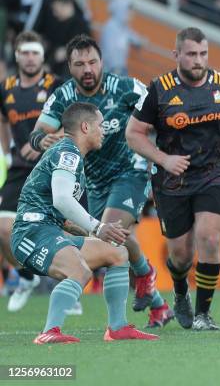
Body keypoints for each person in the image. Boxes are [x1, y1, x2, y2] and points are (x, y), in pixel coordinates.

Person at [30, 34, 171, 328]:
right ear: (70, 67)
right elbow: (37, 132)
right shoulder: (64, 95)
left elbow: (162, 113)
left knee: (110, 235)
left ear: (102, 62)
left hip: (129, 171)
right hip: (91, 182)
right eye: (80, 64)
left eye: (93, 61)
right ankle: (156, 300)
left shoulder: (125, 87)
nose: (88, 69)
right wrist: (45, 139)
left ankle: (124, 315)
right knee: (113, 243)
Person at [126, 27, 220, 330]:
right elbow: (133, 133)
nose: (199, 60)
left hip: (215, 173)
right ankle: (180, 291)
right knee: (181, 256)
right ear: (177, 55)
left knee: (209, 237)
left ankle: (203, 314)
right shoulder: (159, 90)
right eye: (192, 54)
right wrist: (163, 159)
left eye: (203, 54)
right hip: (173, 180)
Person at [11, 102, 158, 343]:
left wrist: (94, 233)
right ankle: (49, 331)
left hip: (47, 230)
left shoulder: (70, 154)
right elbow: (61, 199)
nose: (104, 130)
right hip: (31, 232)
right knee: (78, 270)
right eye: (100, 125)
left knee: (117, 252)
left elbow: (59, 210)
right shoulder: (67, 153)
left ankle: (117, 328)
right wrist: (98, 227)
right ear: (86, 127)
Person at [0, 30, 62, 312]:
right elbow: (3, 119)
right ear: (17, 56)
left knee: (65, 227)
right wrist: (6, 150)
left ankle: (67, 284)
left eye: (34, 52)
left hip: (51, 167)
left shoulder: (55, 85)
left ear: (42, 56)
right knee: (2, 229)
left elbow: (70, 122)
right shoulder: (6, 87)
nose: (29, 57)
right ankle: (26, 278)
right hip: (20, 169)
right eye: (24, 52)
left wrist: (43, 145)